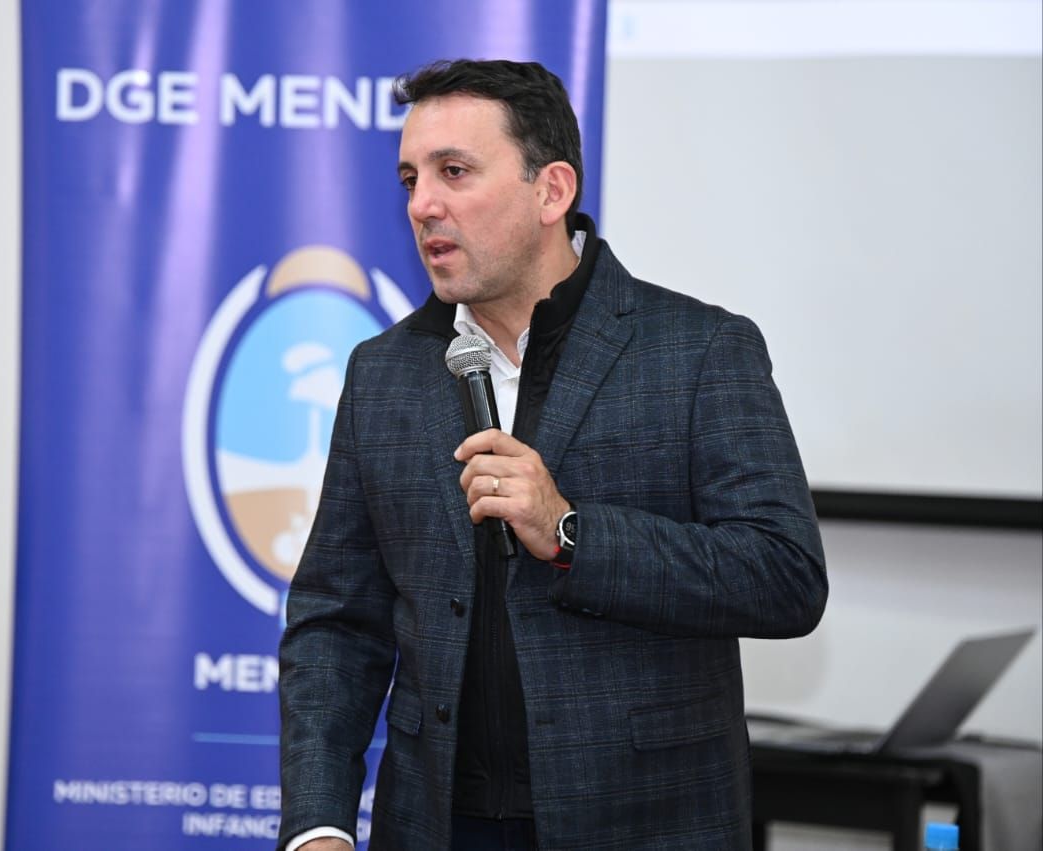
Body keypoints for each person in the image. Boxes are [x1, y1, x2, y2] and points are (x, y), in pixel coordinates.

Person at [277, 58, 827, 851]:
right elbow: (337, 621)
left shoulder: (698, 350)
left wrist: (573, 532)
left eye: (454, 171)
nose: (422, 204)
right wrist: (318, 823)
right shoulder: (384, 372)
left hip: (642, 824)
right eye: (410, 179)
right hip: (437, 826)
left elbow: (785, 576)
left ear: (551, 190)